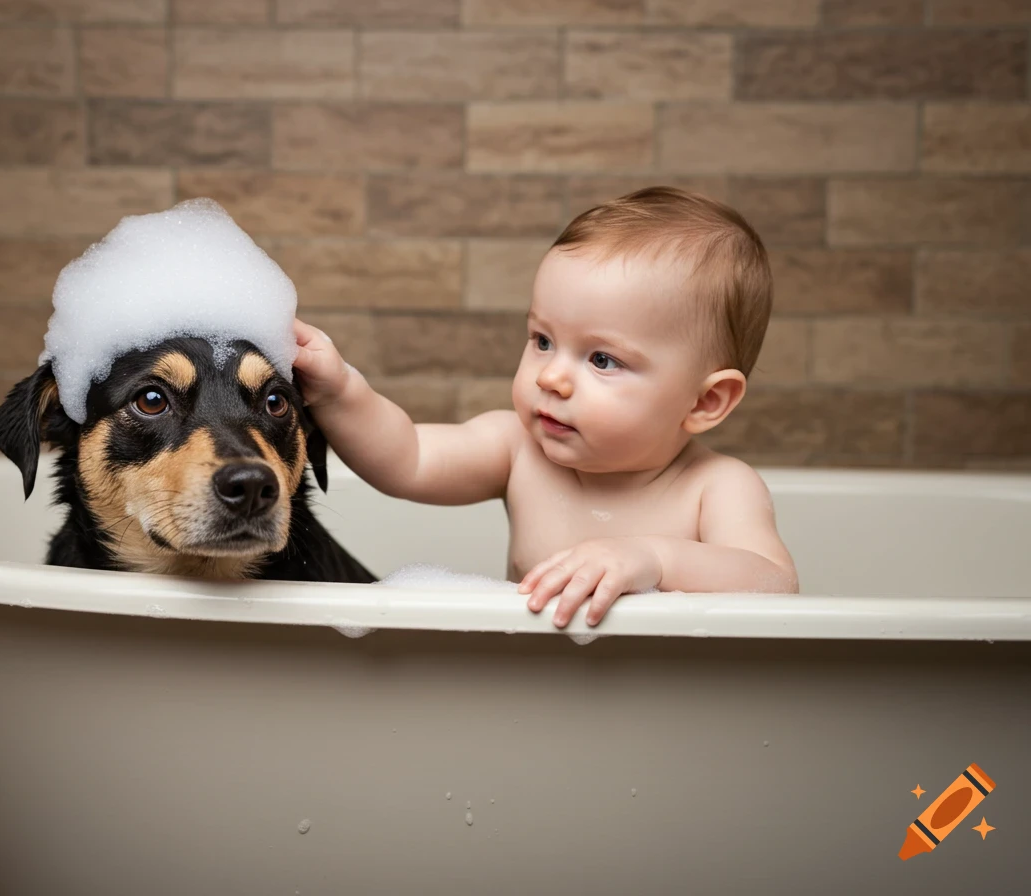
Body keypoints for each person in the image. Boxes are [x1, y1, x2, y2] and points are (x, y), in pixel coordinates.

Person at [292, 186, 799, 628]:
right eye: (543, 340)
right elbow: (410, 457)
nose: (551, 377)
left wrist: (655, 558)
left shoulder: (716, 487)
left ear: (706, 401)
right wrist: (342, 391)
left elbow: (773, 583)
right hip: (535, 688)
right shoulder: (518, 450)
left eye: (602, 359)